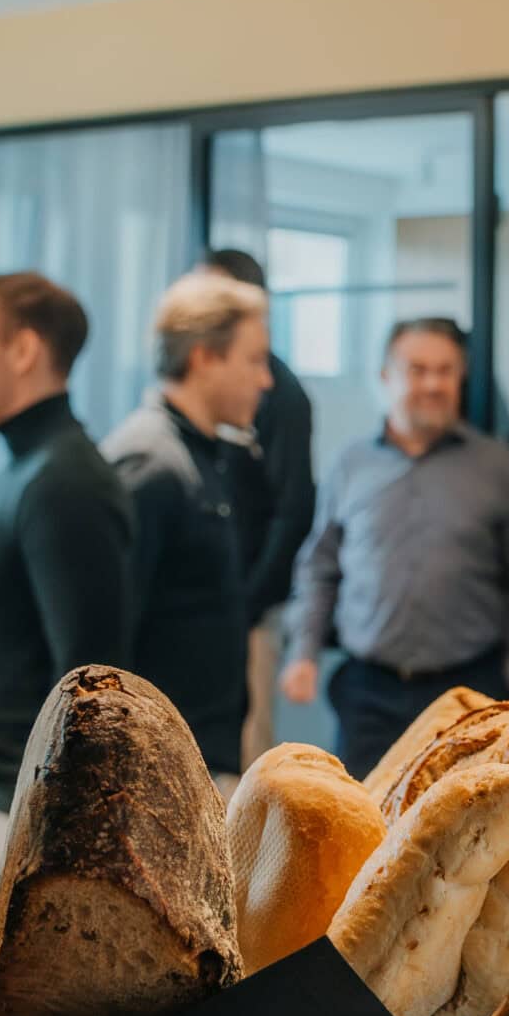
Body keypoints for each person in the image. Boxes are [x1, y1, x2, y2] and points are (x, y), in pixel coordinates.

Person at [281, 316, 509, 779]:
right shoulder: (351, 464)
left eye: (445, 371)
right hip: (369, 695)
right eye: (418, 370)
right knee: (362, 817)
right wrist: (303, 651)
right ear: (386, 377)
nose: (433, 384)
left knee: (472, 817)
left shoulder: (496, 466)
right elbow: (320, 567)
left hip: (469, 692)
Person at [0, 272, 133, 849]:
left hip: (32, 811)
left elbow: (92, 685)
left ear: (23, 350)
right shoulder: (31, 468)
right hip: (5, 795)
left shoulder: (66, 483)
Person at [102, 269, 273, 786]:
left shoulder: (201, 454)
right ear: (204, 358)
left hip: (194, 755)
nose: (265, 380)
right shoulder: (150, 462)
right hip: (155, 767)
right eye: (255, 360)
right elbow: (110, 638)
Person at [202, 248, 316, 766]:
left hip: (249, 614)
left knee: (244, 764)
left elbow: (294, 511)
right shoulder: (197, 397)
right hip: (204, 612)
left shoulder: (279, 393)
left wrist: (246, 604)